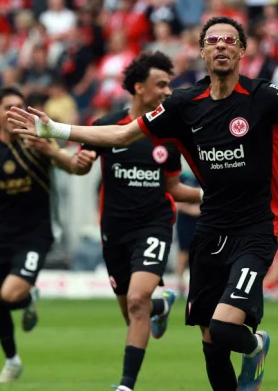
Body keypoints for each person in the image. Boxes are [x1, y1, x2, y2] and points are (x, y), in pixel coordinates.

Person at [8, 16, 278, 391]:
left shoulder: (264, 96)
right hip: (211, 229)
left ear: (242, 51)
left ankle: (255, 346)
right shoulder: (184, 103)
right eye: (212, 41)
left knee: (228, 327)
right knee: (212, 342)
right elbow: (121, 135)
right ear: (201, 51)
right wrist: (56, 129)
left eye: (229, 41)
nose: (221, 46)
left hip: (255, 229)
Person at [67, 51, 203, 391]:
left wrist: (209, 195)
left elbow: (173, 188)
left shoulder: (170, 137)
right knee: (133, 313)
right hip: (114, 231)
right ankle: (163, 302)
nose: (168, 91)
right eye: (161, 85)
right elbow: (78, 165)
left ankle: (126, 385)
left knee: (137, 301)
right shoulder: (105, 127)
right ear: (139, 88)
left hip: (154, 226)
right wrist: (81, 162)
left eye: (170, 85)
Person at [0, 85, 80, 384]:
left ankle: (26, 296)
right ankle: (12, 360)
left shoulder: (37, 139)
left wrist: (51, 150)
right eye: (9, 107)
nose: (16, 113)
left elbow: (73, 167)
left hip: (35, 232)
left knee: (11, 293)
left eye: (20, 107)